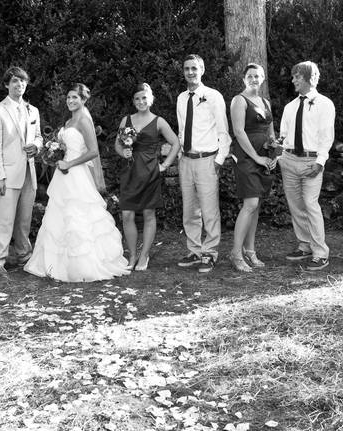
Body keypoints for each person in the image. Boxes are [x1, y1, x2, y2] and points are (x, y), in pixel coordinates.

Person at [25, 84, 130, 282]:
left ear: (83, 100)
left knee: (78, 216)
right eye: (68, 98)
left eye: (75, 97)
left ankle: (82, 265)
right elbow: (66, 146)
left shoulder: (84, 121)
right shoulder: (68, 120)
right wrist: (55, 152)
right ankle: (56, 263)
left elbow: (92, 151)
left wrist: (69, 163)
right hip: (63, 173)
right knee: (59, 215)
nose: (71, 101)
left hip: (76, 174)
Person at [175, 54, 231, 274]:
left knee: (209, 211)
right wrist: (180, 155)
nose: (190, 72)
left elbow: (223, 132)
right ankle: (194, 250)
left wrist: (218, 161)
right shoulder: (181, 98)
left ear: (202, 70)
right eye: (187, 68)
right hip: (186, 160)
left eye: (194, 68)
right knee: (190, 211)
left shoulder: (212, 96)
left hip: (207, 159)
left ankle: (210, 252)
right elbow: (181, 129)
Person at [115, 83, 180, 271]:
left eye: (144, 98)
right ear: (133, 101)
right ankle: (133, 254)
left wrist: (165, 165)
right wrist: (123, 153)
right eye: (137, 98)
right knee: (127, 214)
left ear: (150, 99)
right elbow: (118, 145)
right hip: (129, 172)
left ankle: (144, 255)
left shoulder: (158, 121)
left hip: (150, 172)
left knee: (148, 213)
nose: (141, 101)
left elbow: (175, 143)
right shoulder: (126, 120)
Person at [0, 66, 43, 277]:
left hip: (29, 172)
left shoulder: (33, 110)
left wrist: (36, 146)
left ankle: (23, 256)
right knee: (4, 219)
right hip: (7, 175)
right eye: (15, 81)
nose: (20, 85)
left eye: (23, 81)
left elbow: (38, 136)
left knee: (25, 219)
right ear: (6, 85)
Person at [278, 61, 336, 271]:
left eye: (297, 76)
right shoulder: (290, 107)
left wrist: (320, 162)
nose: (293, 80)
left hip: (312, 161)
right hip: (289, 160)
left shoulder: (325, 104)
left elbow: (326, 136)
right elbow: (283, 135)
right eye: (293, 76)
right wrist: (278, 150)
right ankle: (304, 245)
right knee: (296, 206)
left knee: (311, 205)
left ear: (310, 78)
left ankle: (320, 252)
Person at [228, 63, 277, 272]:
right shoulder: (239, 100)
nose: (254, 79)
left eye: (257, 76)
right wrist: (256, 157)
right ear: (244, 79)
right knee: (250, 203)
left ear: (263, 78)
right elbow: (239, 132)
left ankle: (250, 251)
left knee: (256, 205)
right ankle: (235, 254)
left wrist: (275, 155)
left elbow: (271, 132)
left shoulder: (265, 101)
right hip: (247, 157)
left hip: (264, 158)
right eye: (250, 76)